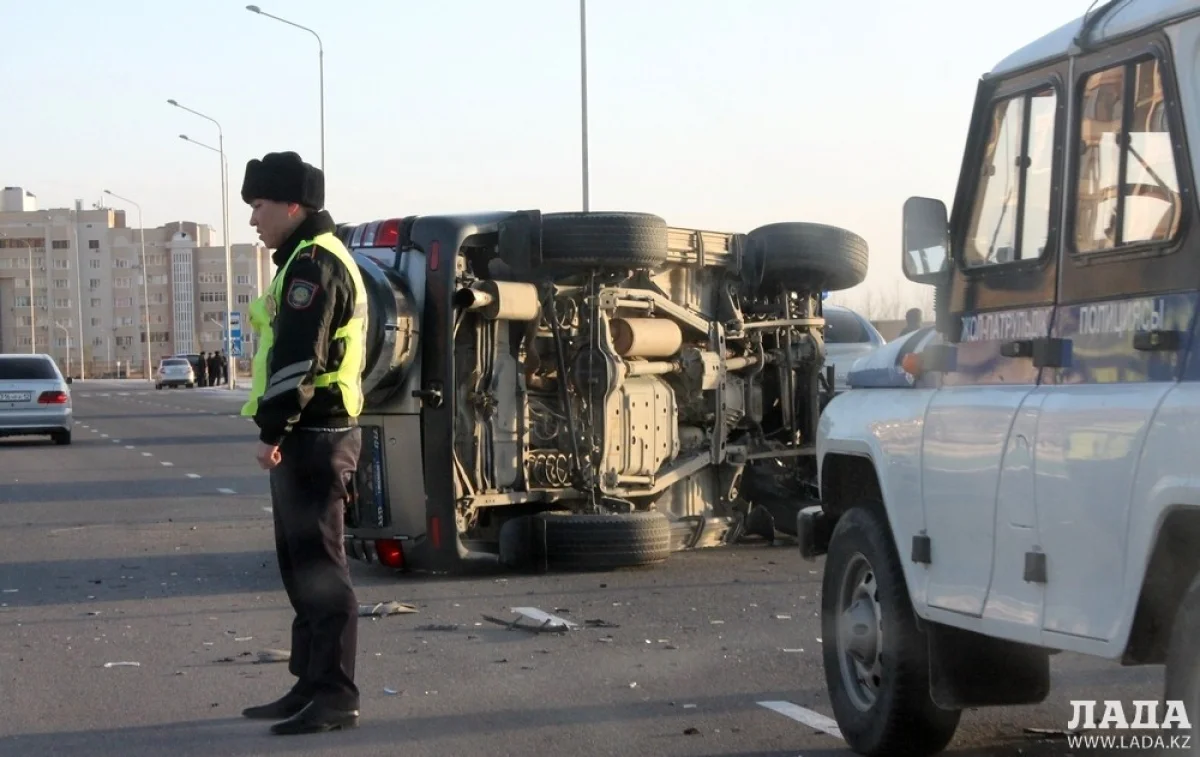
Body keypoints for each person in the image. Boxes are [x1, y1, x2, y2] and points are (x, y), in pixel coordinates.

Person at [237, 151, 369, 736]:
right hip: (310, 433)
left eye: (259, 207)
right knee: (301, 568)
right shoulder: (300, 259)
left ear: (293, 206)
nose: (253, 219)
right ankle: (309, 683)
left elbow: (298, 360)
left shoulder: (313, 265)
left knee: (322, 568)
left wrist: (273, 434)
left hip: (316, 434)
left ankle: (336, 695)